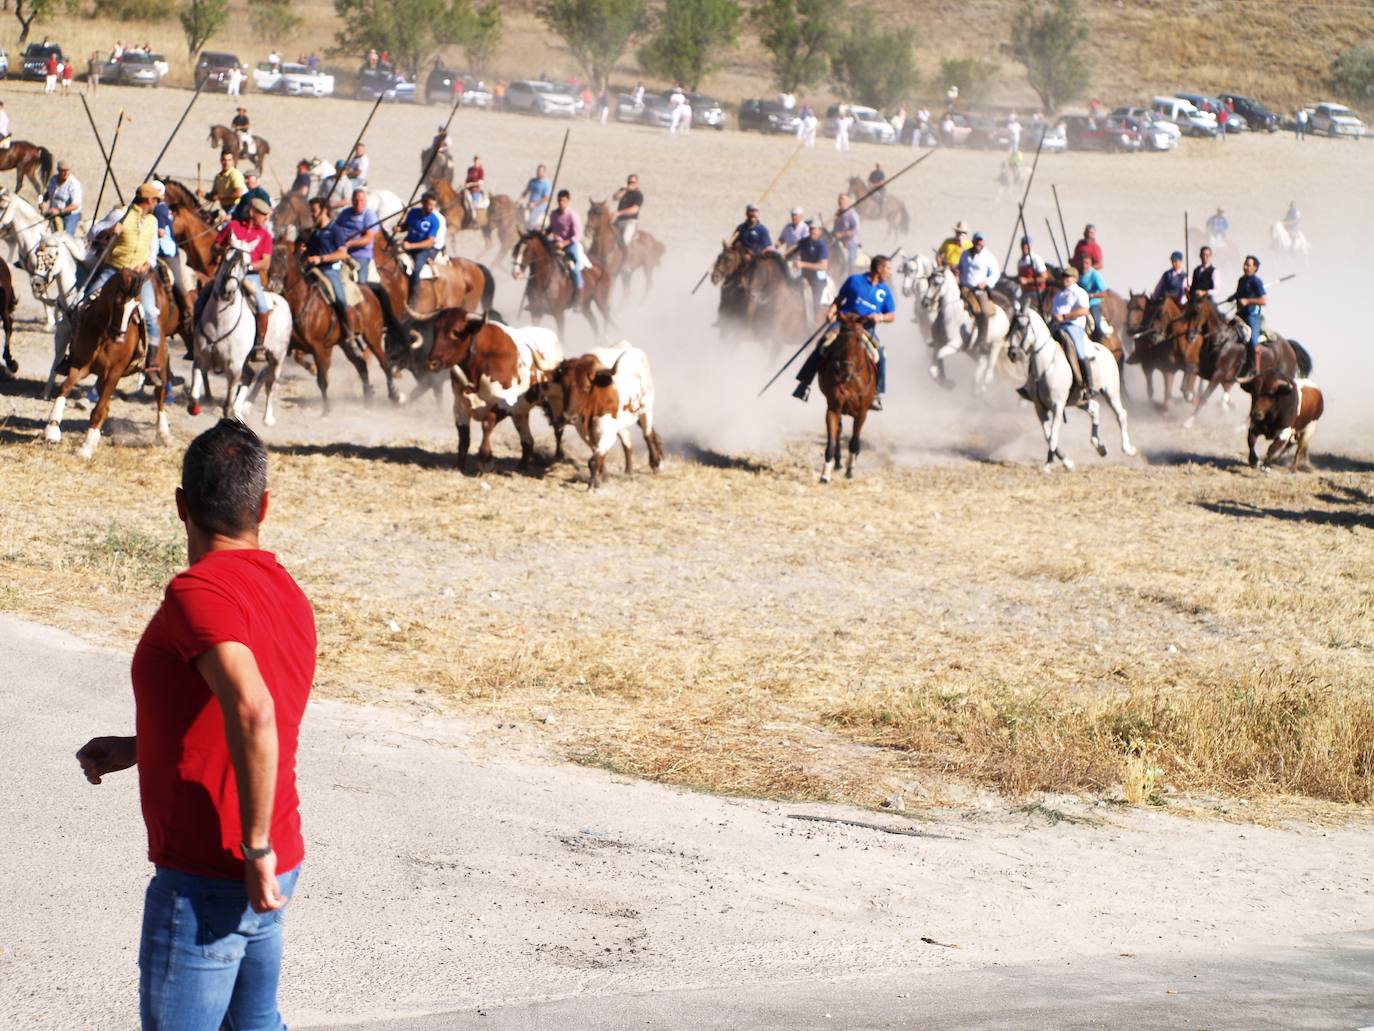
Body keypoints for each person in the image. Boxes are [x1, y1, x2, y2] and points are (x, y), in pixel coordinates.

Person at [76, 417, 316, 1031]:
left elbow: (255, 710)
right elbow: (225, 707)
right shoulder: (284, 589)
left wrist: (252, 846)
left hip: (214, 873)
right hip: (269, 860)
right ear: (262, 504)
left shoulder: (199, 593)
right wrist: (138, 747)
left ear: (181, 505)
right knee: (255, 1024)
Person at [82, 182, 163, 384]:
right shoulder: (120, 215)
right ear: (149, 200)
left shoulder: (152, 222)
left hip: (138, 277)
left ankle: (151, 361)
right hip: (113, 270)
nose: (156, 204)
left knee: (151, 313)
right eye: (155, 200)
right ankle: (76, 349)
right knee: (84, 303)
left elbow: (153, 252)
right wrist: (110, 230)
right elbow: (93, 232)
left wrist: (146, 265)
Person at [793, 254, 897, 410]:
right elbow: (838, 299)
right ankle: (804, 384)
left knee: (881, 354)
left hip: (865, 328)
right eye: (888, 268)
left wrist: (880, 317)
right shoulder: (854, 280)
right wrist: (832, 311)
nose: (890, 272)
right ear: (879, 268)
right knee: (823, 344)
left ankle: (876, 394)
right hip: (843, 324)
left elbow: (891, 316)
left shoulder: (885, 291)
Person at [199, 198, 276, 361]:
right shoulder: (233, 226)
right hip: (226, 274)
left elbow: (266, 262)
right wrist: (223, 250)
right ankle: (195, 339)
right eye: (262, 215)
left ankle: (259, 344)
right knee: (201, 298)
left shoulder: (264, 235)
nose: (265, 219)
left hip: (249, 276)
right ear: (252, 213)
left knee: (262, 304)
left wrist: (246, 267)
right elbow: (215, 247)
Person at [304, 195, 365, 355]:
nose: (312, 215)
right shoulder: (315, 232)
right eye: (311, 212)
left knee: (339, 298)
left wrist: (321, 258)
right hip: (311, 270)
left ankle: (350, 332)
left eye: (315, 211)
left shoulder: (335, 230)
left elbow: (342, 253)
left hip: (329, 270)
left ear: (324, 211)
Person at [1049, 265, 1096, 397]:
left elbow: (1084, 310)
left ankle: (1089, 385)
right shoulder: (1058, 294)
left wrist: (1065, 316)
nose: (1065, 279)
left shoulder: (1079, 292)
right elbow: (1054, 312)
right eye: (1064, 276)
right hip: (1057, 326)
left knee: (1079, 352)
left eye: (1068, 276)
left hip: (1073, 326)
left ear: (1075, 278)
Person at [956, 232, 1000, 347]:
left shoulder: (988, 256)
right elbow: (959, 267)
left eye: (981, 241)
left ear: (983, 243)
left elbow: (995, 273)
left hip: (979, 290)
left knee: (983, 311)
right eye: (977, 241)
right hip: (964, 288)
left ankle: (982, 342)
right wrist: (956, 273)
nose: (979, 243)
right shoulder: (965, 254)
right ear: (973, 241)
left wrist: (985, 283)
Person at [399, 192, 444, 303]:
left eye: (433, 205)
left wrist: (411, 246)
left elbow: (429, 242)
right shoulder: (413, 213)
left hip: (422, 250)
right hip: (407, 243)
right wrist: (398, 228)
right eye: (429, 205)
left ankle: (414, 299)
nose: (432, 208)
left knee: (416, 269)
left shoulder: (435, 221)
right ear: (423, 204)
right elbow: (405, 226)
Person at [1226, 254, 1267, 374]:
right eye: (1244, 264)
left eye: (1248, 265)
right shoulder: (1242, 280)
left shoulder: (1256, 281)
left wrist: (1248, 301)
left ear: (1255, 268)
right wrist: (1232, 297)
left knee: (1252, 342)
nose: (1245, 267)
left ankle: (1254, 368)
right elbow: (1239, 294)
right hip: (1240, 315)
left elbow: (1264, 301)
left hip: (1252, 316)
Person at [333, 187, 381, 283]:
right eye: (356, 201)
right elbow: (336, 228)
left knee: (361, 281)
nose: (358, 204)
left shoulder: (369, 216)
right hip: (341, 251)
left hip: (360, 255)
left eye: (361, 201)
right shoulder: (345, 213)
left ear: (366, 201)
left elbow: (368, 239)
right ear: (352, 200)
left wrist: (349, 243)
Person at [546, 189, 585, 299]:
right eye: (559, 200)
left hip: (570, 245)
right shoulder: (553, 214)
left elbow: (578, 235)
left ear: (568, 201)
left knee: (574, 269)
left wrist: (565, 243)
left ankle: (579, 295)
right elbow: (551, 228)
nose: (561, 203)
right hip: (555, 243)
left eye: (563, 200)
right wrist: (544, 232)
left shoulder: (573, 215)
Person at [795, 219, 830, 323]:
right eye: (810, 229)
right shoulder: (803, 242)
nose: (812, 231)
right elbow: (795, 252)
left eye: (814, 229)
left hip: (817, 280)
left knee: (814, 304)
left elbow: (823, 266)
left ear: (819, 231)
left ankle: (812, 325)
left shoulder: (821, 245)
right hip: (804, 277)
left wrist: (803, 264)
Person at [41, 161, 83, 235]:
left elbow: (75, 205)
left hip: (70, 214)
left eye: (67, 171)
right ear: (58, 170)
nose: (66, 173)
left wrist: (59, 211)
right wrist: (42, 201)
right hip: (53, 212)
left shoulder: (74, 184)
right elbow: (48, 193)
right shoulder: (53, 180)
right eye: (63, 171)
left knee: (67, 234)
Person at [1076, 252, 1108, 341]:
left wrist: (1092, 295)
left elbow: (1104, 293)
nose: (1084, 265)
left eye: (1086, 263)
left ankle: (1100, 339)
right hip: (1079, 304)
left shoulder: (1095, 275)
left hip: (1093, 304)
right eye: (1082, 263)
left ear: (1090, 264)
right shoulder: (1077, 274)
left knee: (1097, 323)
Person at [207, 150, 246, 217]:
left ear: (233, 161)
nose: (226, 163)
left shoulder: (235, 174)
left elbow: (238, 194)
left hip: (236, 208)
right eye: (224, 160)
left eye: (229, 160)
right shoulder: (218, 177)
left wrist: (220, 197)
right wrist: (203, 194)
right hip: (224, 208)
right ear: (221, 161)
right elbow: (213, 196)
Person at [611, 174, 642, 249]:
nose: (631, 184)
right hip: (619, 221)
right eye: (629, 182)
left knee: (625, 240)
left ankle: (627, 258)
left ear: (637, 183)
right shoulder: (623, 190)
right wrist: (625, 190)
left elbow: (634, 210)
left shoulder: (638, 195)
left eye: (633, 182)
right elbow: (615, 198)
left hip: (630, 221)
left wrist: (619, 213)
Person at [519, 164, 551, 230]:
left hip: (540, 208)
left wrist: (535, 204)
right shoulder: (532, 181)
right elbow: (526, 191)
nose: (539, 172)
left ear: (544, 172)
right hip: (529, 205)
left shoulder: (547, 184)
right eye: (538, 171)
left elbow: (546, 197)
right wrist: (520, 199)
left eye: (541, 171)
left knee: (531, 221)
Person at [832, 193, 860, 270]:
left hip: (850, 243)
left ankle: (851, 277)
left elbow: (856, 230)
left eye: (842, 200)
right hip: (838, 242)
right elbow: (835, 229)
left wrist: (842, 234)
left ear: (848, 202)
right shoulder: (838, 214)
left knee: (851, 260)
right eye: (839, 199)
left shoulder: (852, 214)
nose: (840, 201)